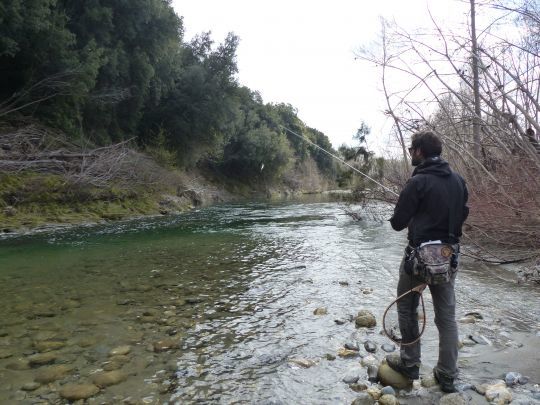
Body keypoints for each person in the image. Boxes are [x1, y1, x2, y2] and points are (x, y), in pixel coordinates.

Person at [387, 131, 469, 393]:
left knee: (406, 308)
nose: (411, 153)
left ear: (420, 151)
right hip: (449, 257)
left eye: (412, 149)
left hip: (417, 262)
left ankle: (410, 364)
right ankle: (447, 374)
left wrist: (406, 209)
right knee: (446, 317)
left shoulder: (417, 182)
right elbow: (461, 215)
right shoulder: (459, 181)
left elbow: (398, 223)